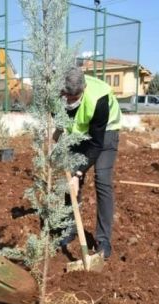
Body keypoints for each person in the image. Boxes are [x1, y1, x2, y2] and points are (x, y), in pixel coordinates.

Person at [59, 66, 121, 259]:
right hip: (77, 133)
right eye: (66, 96)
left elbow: (96, 144)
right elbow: (59, 117)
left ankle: (103, 240)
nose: (69, 100)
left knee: (102, 178)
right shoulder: (59, 91)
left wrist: (79, 173)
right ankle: (70, 229)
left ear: (83, 90)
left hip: (104, 133)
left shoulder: (98, 100)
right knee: (70, 184)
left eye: (73, 97)